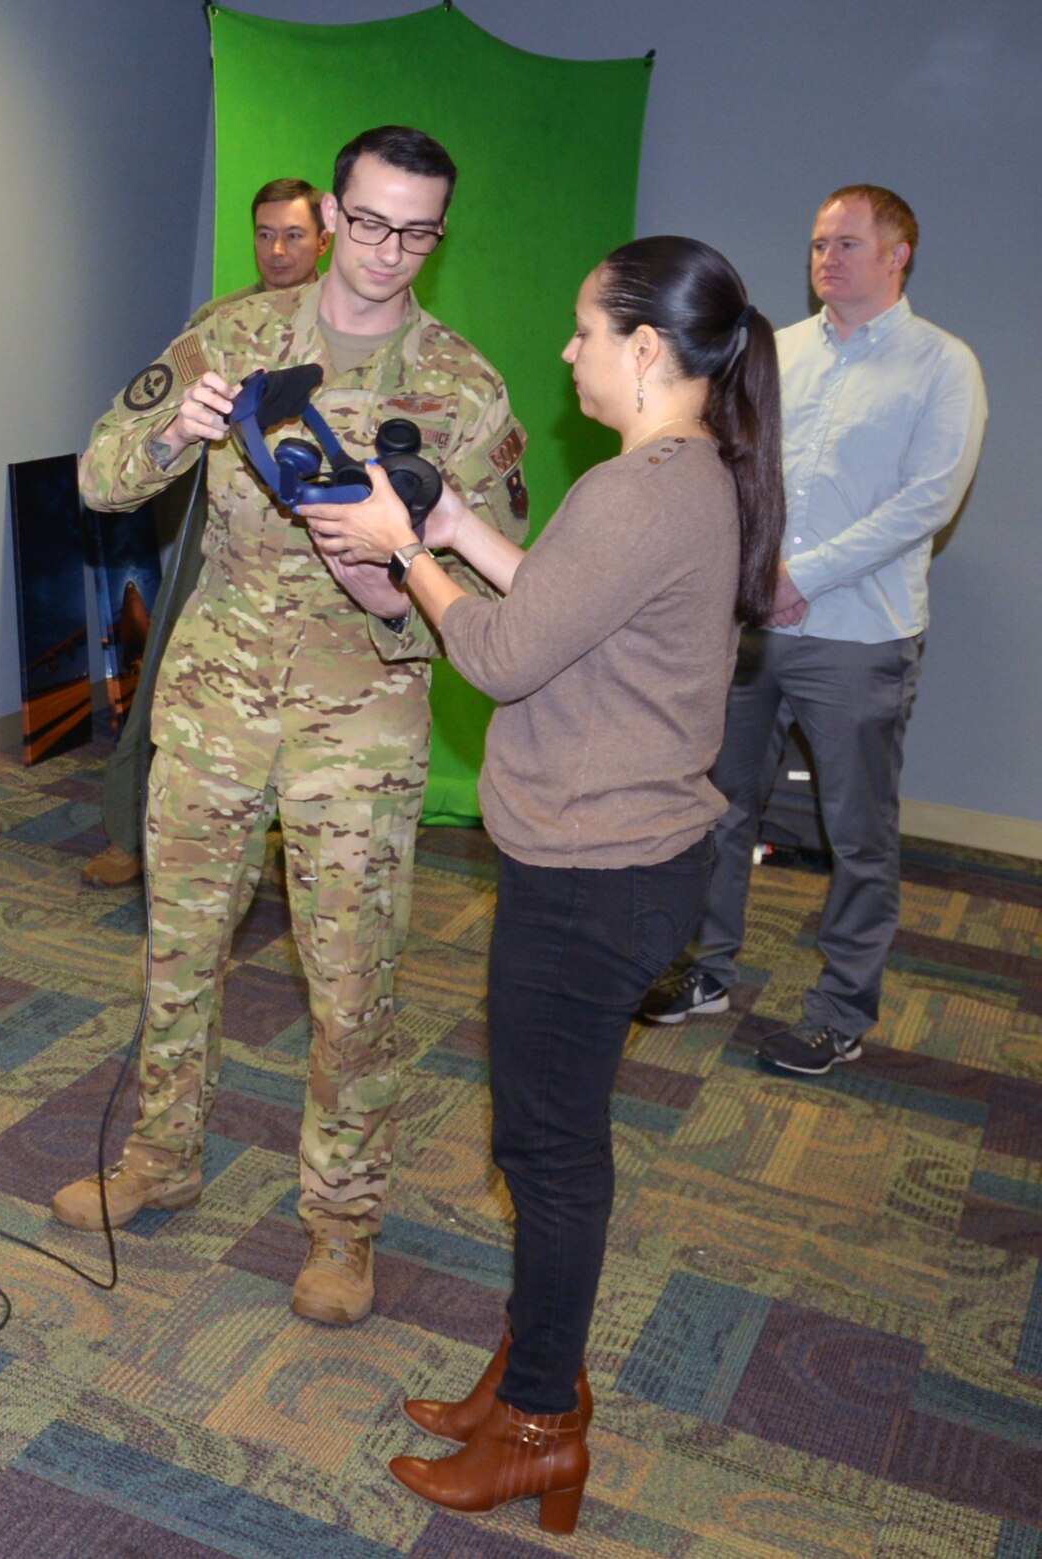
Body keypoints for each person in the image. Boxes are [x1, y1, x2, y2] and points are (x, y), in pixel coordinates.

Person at [301, 234, 784, 1532]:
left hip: (598, 876)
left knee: (551, 1155)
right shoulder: (690, 475)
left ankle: (536, 1429)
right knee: (543, 1140)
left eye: (583, 330)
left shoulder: (642, 489)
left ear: (645, 347)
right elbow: (570, 603)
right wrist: (457, 524)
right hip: (628, 864)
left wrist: (407, 555)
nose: (567, 351)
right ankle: (531, 1376)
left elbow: (508, 654)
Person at [53, 127, 529, 1329]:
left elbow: (496, 597)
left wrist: (397, 592)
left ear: (439, 232)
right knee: (178, 957)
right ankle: (160, 1160)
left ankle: (340, 1223)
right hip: (213, 706)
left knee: (350, 989)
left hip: (359, 721)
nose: (385, 250)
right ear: (328, 209)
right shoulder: (231, 333)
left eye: (415, 230)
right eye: (366, 221)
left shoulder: (463, 389)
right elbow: (99, 477)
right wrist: (179, 431)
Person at [641, 186, 986, 1077]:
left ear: (898, 254)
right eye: (817, 244)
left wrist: (803, 575)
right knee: (719, 808)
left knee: (858, 837)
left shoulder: (943, 366)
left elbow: (928, 502)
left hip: (859, 636)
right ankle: (707, 973)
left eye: (847, 244)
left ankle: (839, 1012)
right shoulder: (776, 353)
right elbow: (724, 462)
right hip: (752, 626)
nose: (825, 258)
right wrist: (745, 574)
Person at [84, 177, 331, 888]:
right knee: (167, 666)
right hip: (222, 537)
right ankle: (130, 832)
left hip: (318, 547)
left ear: (324, 238)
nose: (277, 250)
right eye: (264, 234)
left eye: (292, 234)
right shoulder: (221, 323)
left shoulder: (352, 330)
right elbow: (137, 428)